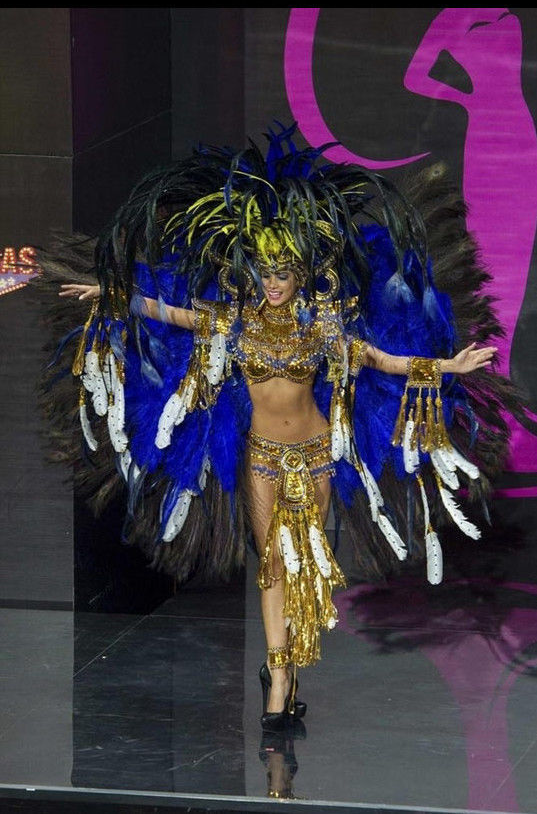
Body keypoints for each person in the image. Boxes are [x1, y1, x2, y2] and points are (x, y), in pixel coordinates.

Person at [39, 121, 522, 730]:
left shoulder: (324, 328)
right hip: (259, 454)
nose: (271, 281)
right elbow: (165, 309)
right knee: (270, 560)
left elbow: (383, 360)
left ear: (299, 274)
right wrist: (112, 296)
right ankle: (280, 676)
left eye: (283, 272)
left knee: (304, 562)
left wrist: (447, 364)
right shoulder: (230, 321)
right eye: (264, 272)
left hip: (317, 452)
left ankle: (291, 659)